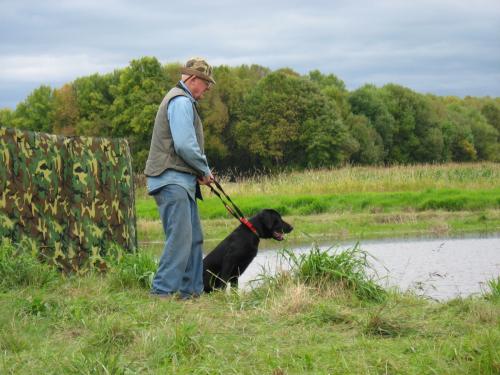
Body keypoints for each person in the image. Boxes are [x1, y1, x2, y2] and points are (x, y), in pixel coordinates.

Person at [144, 57, 215, 299]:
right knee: (180, 239)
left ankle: (192, 294)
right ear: (193, 79)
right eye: (206, 84)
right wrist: (204, 170)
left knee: (194, 238)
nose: (207, 90)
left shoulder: (183, 101)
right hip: (171, 181)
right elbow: (185, 145)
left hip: (180, 181)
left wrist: (198, 173)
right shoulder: (181, 102)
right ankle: (161, 293)